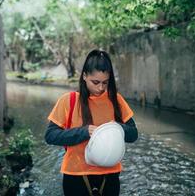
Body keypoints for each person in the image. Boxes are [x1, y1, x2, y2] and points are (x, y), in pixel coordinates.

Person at [45, 49, 138, 196]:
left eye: (105, 83)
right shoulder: (68, 101)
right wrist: (84, 131)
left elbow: (133, 134)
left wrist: (116, 129)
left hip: (110, 176)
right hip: (76, 176)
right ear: (84, 76)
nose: (100, 88)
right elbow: (51, 136)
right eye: (95, 82)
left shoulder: (116, 100)